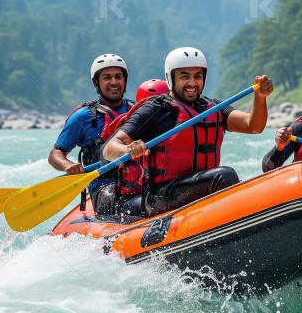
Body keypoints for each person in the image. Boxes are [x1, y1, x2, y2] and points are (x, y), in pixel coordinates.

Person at [102, 47, 274, 216]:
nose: (192, 83)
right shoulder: (155, 109)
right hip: (160, 196)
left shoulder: (213, 107)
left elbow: (253, 126)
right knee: (224, 176)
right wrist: (128, 149)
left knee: (230, 179)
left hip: (199, 187)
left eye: (197, 76)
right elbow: (110, 149)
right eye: (185, 76)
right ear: (171, 78)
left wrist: (260, 98)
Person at [49, 53, 134, 210]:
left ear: (125, 80)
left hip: (136, 181)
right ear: (97, 83)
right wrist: (68, 165)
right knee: (117, 197)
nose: (114, 82)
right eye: (107, 78)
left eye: (118, 77)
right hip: (103, 188)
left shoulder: (137, 111)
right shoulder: (83, 117)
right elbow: (55, 153)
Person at [96, 79, 170, 216]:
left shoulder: (171, 128)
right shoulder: (127, 131)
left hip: (157, 192)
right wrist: (127, 150)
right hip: (126, 199)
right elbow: (106, 156)